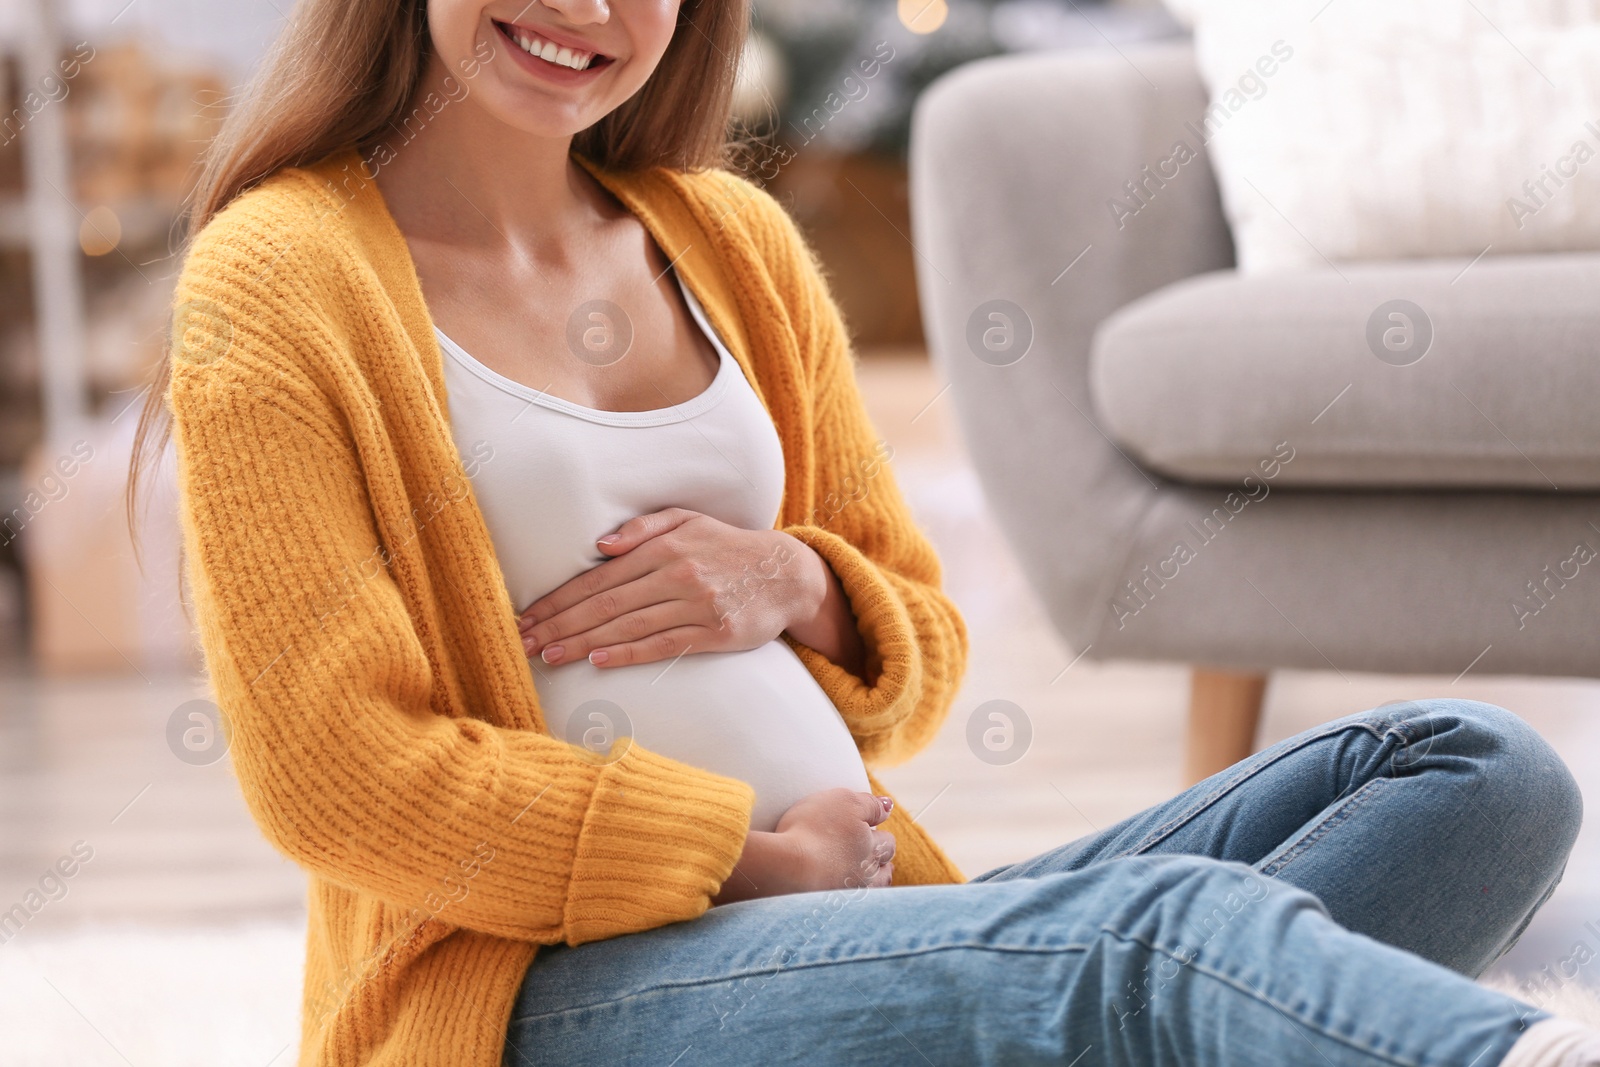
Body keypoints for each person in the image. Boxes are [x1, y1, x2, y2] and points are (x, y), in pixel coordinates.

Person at [128, 1, 1592, 1064]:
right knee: (1151, 946)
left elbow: (922, 648)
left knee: (1478, 772)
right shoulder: (283, 276)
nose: (583, 10)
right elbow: (338, 777)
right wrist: (746, 862)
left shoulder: (729, 242)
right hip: (541, 992)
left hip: (847, 923)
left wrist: (799, 581)